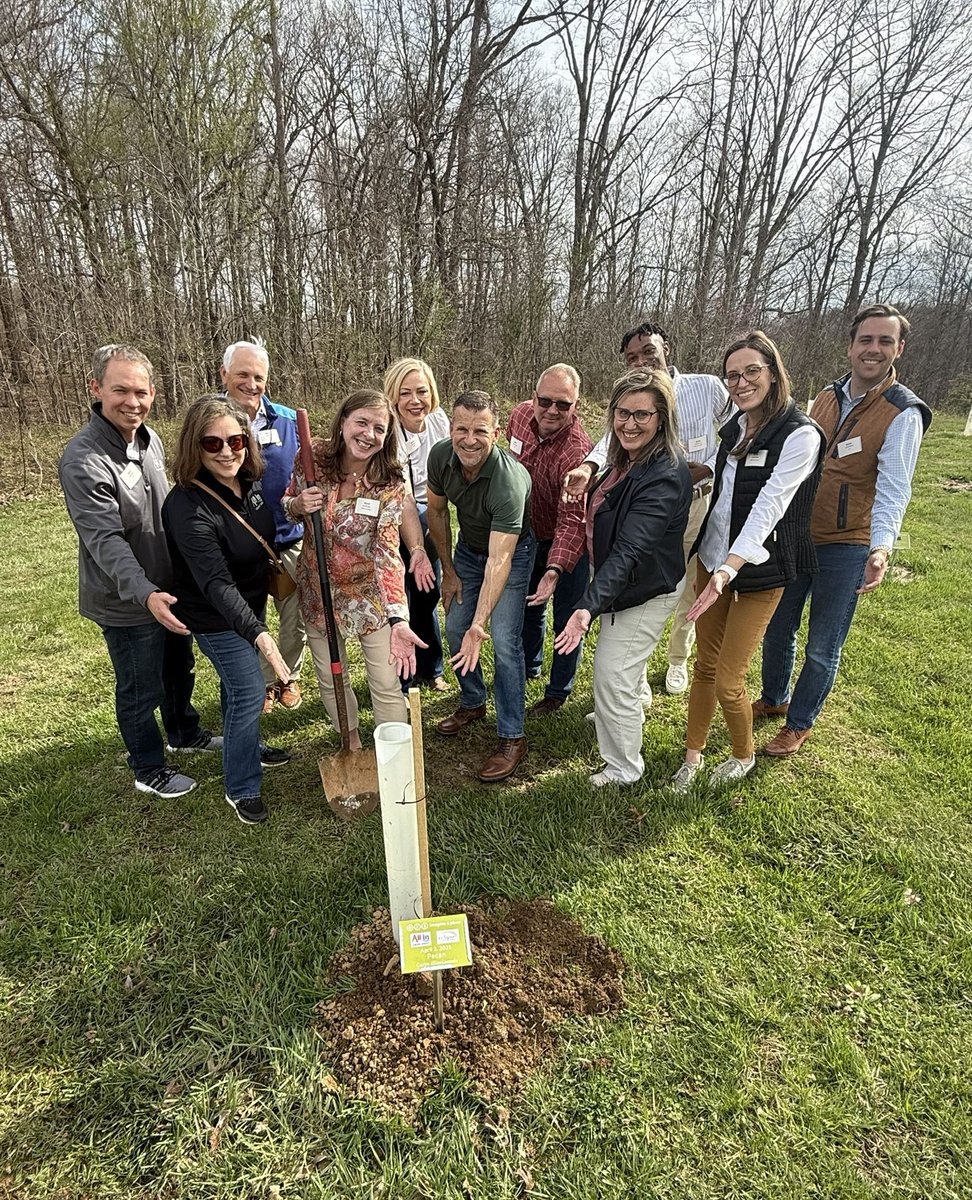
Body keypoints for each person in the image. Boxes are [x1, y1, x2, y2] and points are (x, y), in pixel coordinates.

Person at [755, 304, 932, 756]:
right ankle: (774, 697)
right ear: (851, 346)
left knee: (822, 644)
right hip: (799, 534)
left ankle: (799, 722)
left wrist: (881, 547)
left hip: (847, 545)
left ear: (899, 349)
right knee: (777, 626)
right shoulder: (826, 396)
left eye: (885, 341)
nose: (874, 349)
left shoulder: (902, 412)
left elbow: (894, 487)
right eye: (866, 340)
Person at [59, 344, 220, 799]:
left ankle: (184, 733)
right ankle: (148, 767)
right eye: (121, 391)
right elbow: (105, 542)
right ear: (96, 389)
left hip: (168, 589)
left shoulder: (150, 441)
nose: (133, 402)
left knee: (179, 669)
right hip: (127, 599)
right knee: (139, 686)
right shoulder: (84, 459)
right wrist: (146, 593)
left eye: (141, 392)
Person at [670, 331, 826, 793]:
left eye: (751, 371)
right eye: (732, 375)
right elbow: (720, 491)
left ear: (773, 373)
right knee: (704, 666)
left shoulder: (800, 434)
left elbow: (769, 506)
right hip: (712, 559)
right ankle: (692, 756)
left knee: (728, 679)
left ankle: (743, 755)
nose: (741, 383)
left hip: (759, 570)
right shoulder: (735, 426)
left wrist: (728, 569)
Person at [563, 320, 730, 698]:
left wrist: (709, 467)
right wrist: (589, 467)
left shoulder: (706, 387)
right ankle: (634, 680)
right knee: (638, 582)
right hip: (644, 505)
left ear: (665, 348)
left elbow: (739, 432)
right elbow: (614, 436)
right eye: (632, 357)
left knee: (685, 587)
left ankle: (677, 658)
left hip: (696, 504)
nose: (642, 361)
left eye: (648, 352)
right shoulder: (633, 398)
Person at [555, 370, 691, 786]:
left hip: (644, 589)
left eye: (642, 415)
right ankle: (620, 710)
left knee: (612, 673)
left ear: (662, 418)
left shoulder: (663, 474)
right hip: (623, 583)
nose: (629, 424)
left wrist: (586, 608)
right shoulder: (625, 458)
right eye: (622, 413)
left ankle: (623, 768)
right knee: (621, 670)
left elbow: (631, 551)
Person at [163, 397, 291, 825]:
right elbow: (216, 583)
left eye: (235, 440)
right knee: (249, 690)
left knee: (237, 688)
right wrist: (261, 634)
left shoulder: (248, 481)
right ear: (194, 446)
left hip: (250, 605)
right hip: (214, 615)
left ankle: (249, 745)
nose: (226, 452)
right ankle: (242, 786)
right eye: (212, 443)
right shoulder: (186, 506)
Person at [282, 389, 427, 745]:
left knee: (386, 681)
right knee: (332, 677)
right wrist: (298, 505)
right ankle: (351, 741)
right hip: (318, 592)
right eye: (362, 422)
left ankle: (393, 750)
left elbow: (387, 552)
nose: (369, 434)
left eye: (379, 428)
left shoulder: (390, 483)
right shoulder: (312, 458)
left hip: (368, 596)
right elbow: (288, 501)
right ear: (343, 422)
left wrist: (398, 618)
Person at [426, 392, 535, 782]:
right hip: (468, 552)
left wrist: (480, 623)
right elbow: (436, 511)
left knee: (503, 640)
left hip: (511, 556)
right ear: (450, 428)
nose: (469, 440)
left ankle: (512, 736)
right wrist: (448, 571)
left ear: (497, 433)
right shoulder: (441, 456)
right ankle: (473, 701)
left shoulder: (508, 481)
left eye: (480, 431)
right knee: (455, 627)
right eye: (462, 429)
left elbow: (499, 561)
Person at [220, 340, 306, 715]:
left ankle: (289, 676)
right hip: (237, 544)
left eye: (259, 377)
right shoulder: (210, 422)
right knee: (249, 618)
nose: (251, 384)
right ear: (224, 374)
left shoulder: (288, 421)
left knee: (294, 617)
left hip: (287, 539)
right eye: (242, 374)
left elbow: (306, 474)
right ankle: (263, 682)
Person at [508, 364, 594, 715]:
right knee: (530, 606)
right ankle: (530, 666)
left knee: (567, 618)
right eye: (545, 401)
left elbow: (572, 520)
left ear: (576, 406)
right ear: (534, 398)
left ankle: (558, 691)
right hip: (528, 534)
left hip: (570, 541)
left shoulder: (577, 452)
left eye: (563, 404)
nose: (552, 410)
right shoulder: (519, 417)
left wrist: (555, 568)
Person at [384, 356, 452, 693]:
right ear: (394, 396)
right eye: (405, 393)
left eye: (421, 392)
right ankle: (401, 675)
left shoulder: (439, 420)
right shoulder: (388, 431)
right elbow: (403, 494)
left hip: (432, 512)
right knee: (401, 599)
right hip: (394, 514)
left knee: (428, 592)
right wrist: (416, 545)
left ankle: (431, 667)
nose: (415, 400)